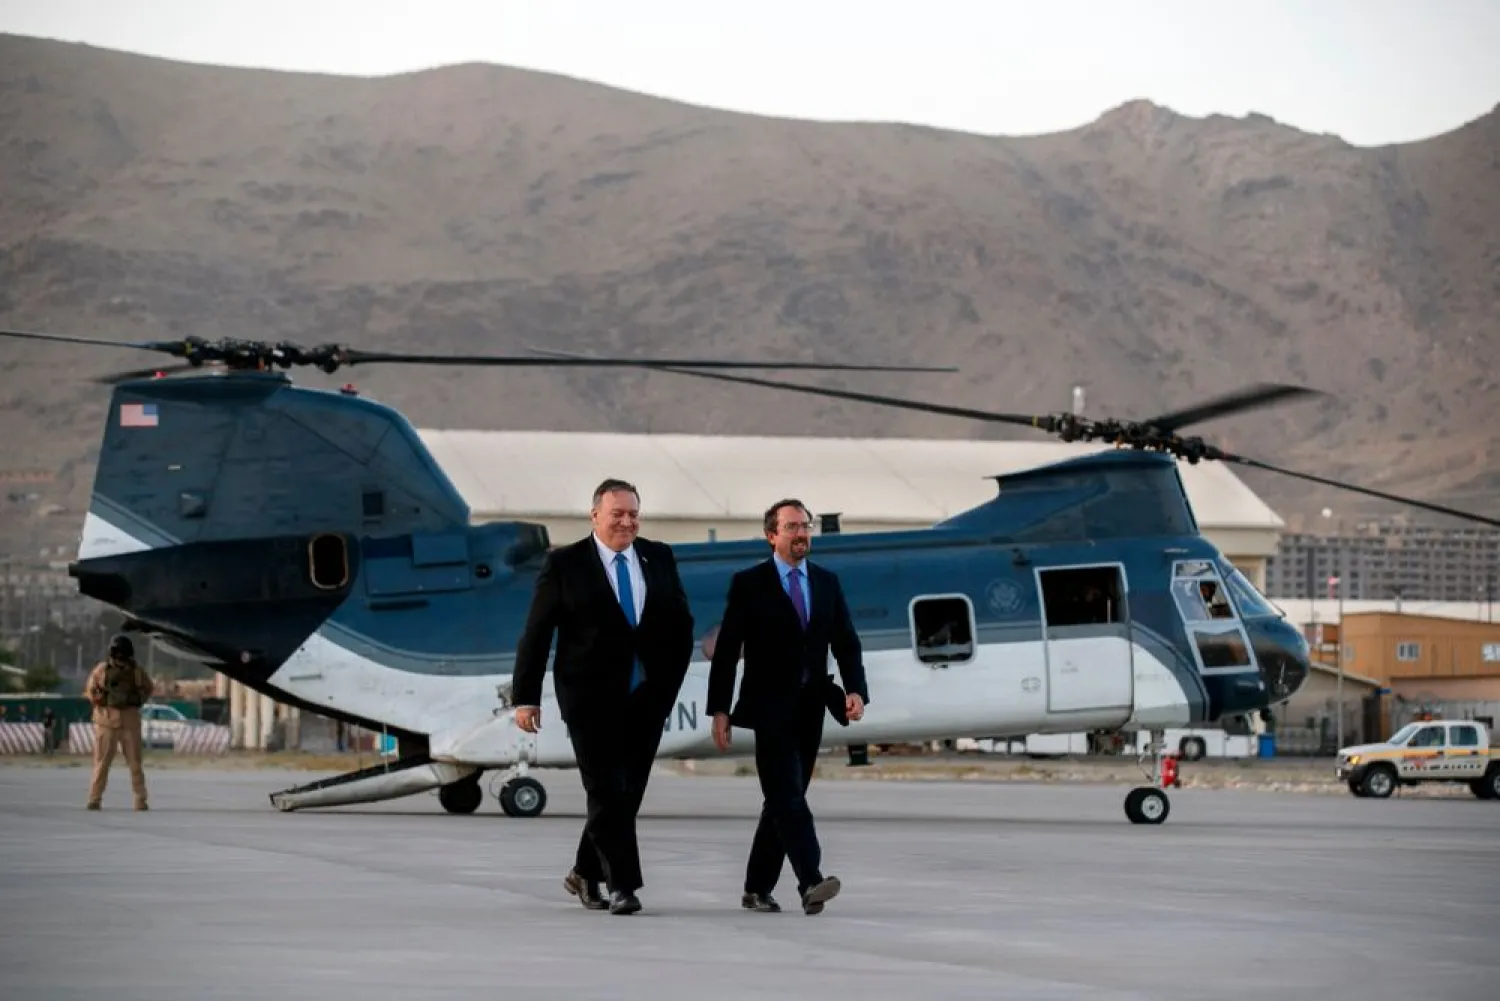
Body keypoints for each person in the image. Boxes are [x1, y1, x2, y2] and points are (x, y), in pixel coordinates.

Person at [511, 477, 696, 915]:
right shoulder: (565, 564)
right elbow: (537, 632)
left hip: (646, 695)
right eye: (618, 514)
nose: (627, 522)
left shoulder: (658, 556)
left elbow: (681, 624)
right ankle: (622, 887)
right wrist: (526, 697)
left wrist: (667, 682)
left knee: (628, 791)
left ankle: (584, 871)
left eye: (633, 514)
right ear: (595, 515)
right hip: (588, 697)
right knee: (606, 789)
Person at [707, 497, 869, 915]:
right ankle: (810, 880)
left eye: (805, 526)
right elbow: (727, 651)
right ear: (771, 535)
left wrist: (856, 690)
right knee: (788, 798)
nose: (801, 534)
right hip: (769, 707)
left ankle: (756, 889)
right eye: (792, 527)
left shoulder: (826, 582)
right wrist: (720, 709)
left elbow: (846, 641)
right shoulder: (750, 583)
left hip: (811, 706)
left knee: (783, 799)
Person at [84, 633, 154, 810]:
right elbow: (91, 689)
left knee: (135, 764)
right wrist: (100, 699)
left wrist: (137, 699)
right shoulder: (102, 670)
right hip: (107, 721)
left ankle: (140, 799)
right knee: (102, 764)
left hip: (128, 721)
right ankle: (95, 798)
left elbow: (148, 688)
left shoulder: (136, 672)